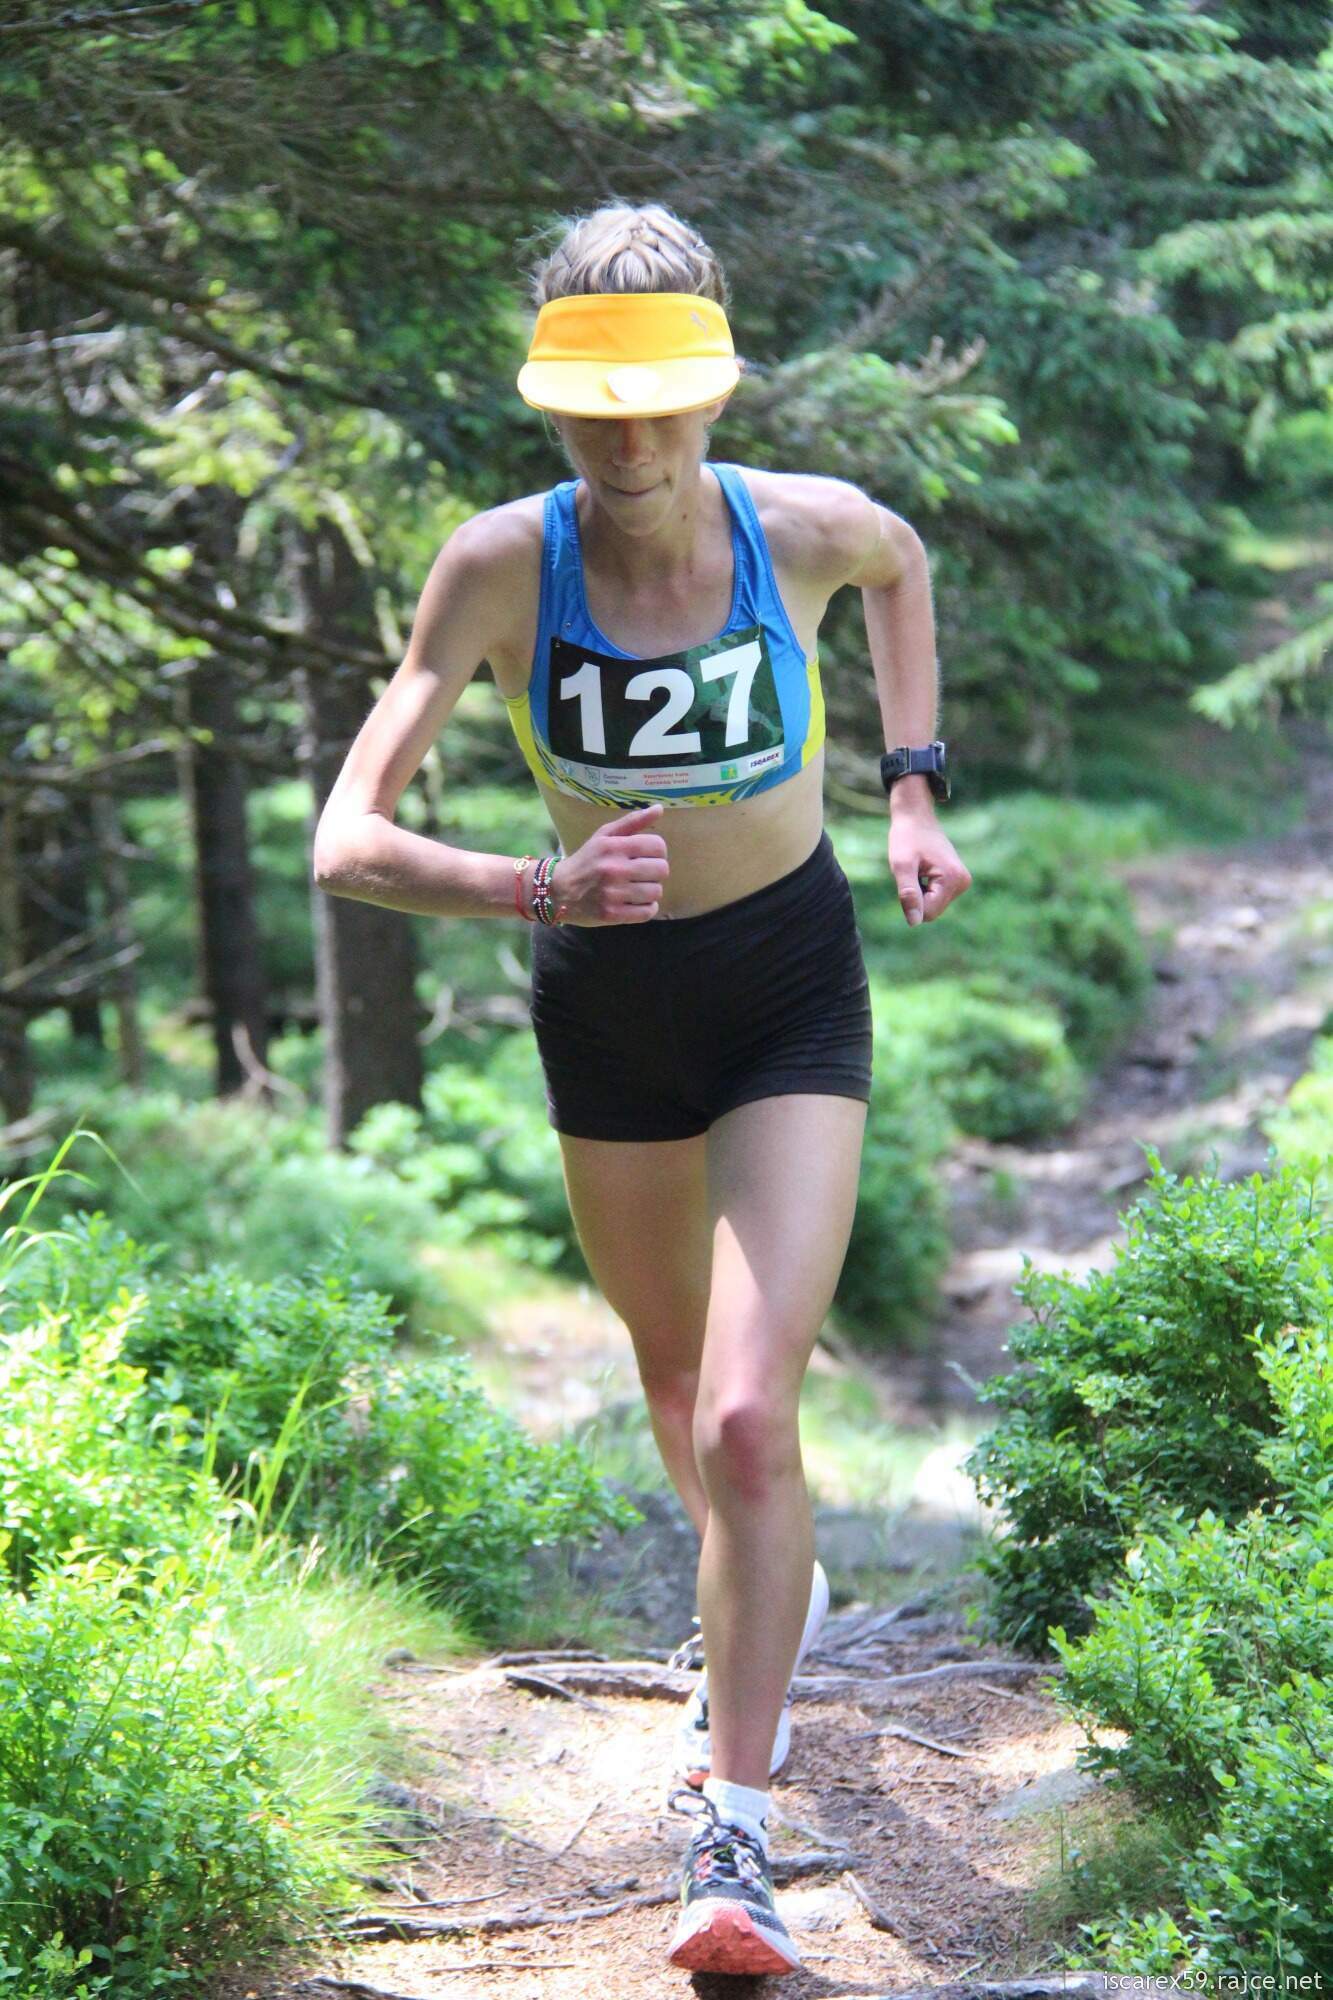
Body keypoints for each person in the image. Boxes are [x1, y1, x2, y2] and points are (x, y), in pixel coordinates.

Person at [312, 200, 972, 1979]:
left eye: (661, 408)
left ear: (715, 389)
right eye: (592, 414)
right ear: (549, 404)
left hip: (785, 988)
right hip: (601, 1009)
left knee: (748, 1415)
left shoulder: (802, 530)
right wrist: (532, 884)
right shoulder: (495, 568)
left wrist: (912, 788)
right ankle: (757, 1596)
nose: (628, 447)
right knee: (677, 1386)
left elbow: (903, 563)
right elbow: (344, 839)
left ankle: (733, 1828)